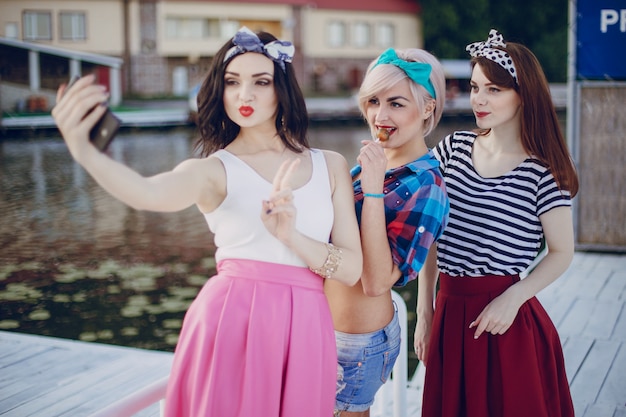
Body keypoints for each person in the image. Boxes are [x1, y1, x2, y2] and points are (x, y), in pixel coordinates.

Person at [52, 26, 363, 417]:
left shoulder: (330, 164)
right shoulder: (214, 170)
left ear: (282, 89)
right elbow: (148, 193)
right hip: (233, 319)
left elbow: (351, 270)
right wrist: (85, 153)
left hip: (307, 326)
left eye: (260, 82)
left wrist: (291, 236)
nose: (244, 95)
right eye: (232, 82)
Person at [415, 29, 578, 417]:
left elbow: (561, 253)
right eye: (474, 87)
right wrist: (425, 313)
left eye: (494, 90)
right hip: (449, 310)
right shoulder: (452, 149)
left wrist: (513, 297)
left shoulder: (544, 172)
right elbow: (430, 237)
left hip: (505, 318)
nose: (479, 99)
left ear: (523, 95)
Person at [324, 48, 449, 416]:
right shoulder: (372, 164)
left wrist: (375, 190)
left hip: (358, 344)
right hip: (321, 327)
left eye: (396, 103)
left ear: (427, 108)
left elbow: (378, 281)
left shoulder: (427, 185)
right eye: (373, 101)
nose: (380, 116)